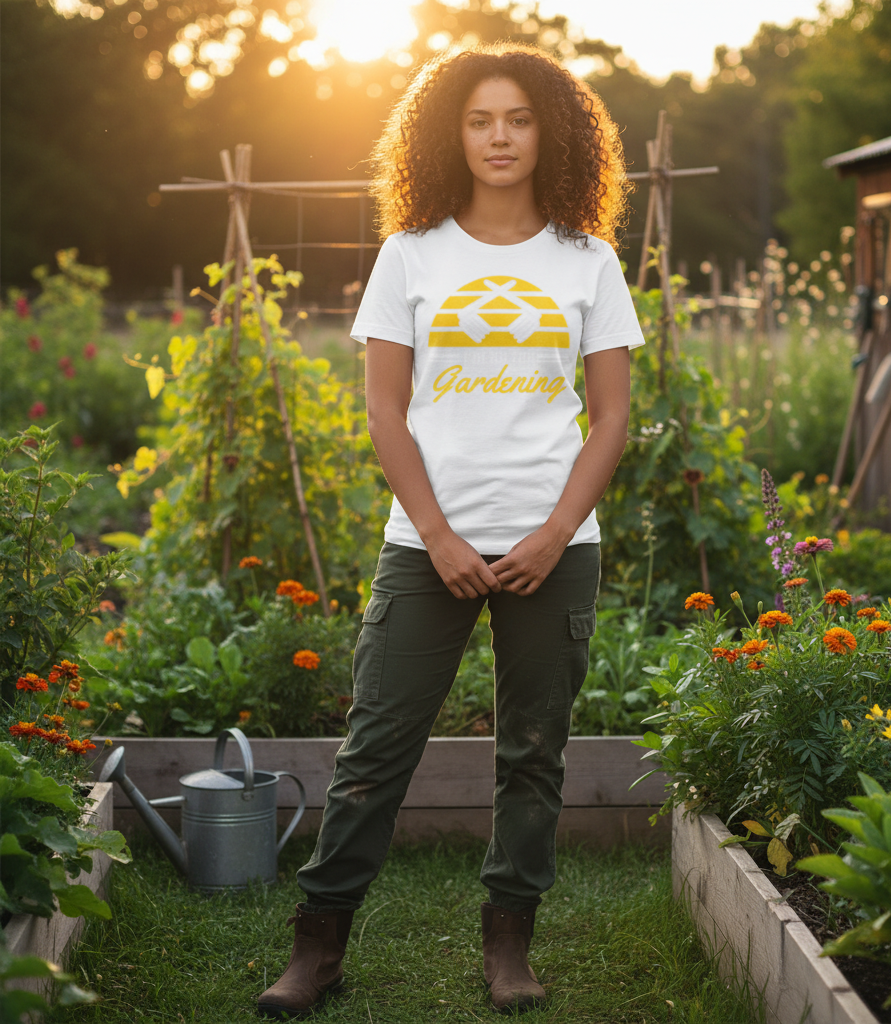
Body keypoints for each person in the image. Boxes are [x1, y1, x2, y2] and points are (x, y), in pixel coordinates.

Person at [257, 42, 643, 1019]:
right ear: (450, 133)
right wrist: (435, 535)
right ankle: (319, 945)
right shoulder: (412, 252)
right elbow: (385, 411)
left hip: (552, 551)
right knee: (376, 746)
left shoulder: (587, 260)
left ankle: (508, 944)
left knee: (533, 749)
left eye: (516, 119)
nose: (499, 137)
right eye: (479, 120)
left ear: (548, 131)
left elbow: (611, 419)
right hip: (425, 547)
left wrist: (556, 532)